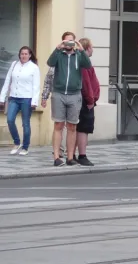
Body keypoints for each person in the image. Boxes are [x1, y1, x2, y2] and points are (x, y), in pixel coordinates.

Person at [46, 31, 91, 167]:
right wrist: (57, 48)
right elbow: (50, 62)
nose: (69, 44)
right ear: (63, 42)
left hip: (74, 94)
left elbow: (88, 65)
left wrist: (82, 50)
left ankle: (70, 158)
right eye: (66, 41)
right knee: (58, 125)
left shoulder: (78, 55)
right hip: (59, 93)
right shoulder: (59, 55)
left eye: (71, 41)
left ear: (75, 42)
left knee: (72, 126)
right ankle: (56, 157)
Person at [1, 46, 40, 156]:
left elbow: (36, 86)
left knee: (25, 123)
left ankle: (25, 146)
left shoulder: (34, 67)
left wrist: (34, 102)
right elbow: (8, 80)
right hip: (13, 97)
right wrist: (2, 97)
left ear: (30, 55)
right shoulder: (14, 64)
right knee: (9, 120)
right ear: (19, 55)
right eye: (22, 54)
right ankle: (17, 142)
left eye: (26, 54)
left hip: (26, 98)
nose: (23, 56)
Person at [70, 38, 99, 166]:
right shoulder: (84, 64)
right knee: (83, 129)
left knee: (79, 128)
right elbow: (86, 83)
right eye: (92, 47)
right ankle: (82, 155)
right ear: (87, 48)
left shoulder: (81, 61)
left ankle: (73, 155)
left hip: (84, 99)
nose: (93, 49)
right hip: (85, 100)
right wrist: (90, 99)